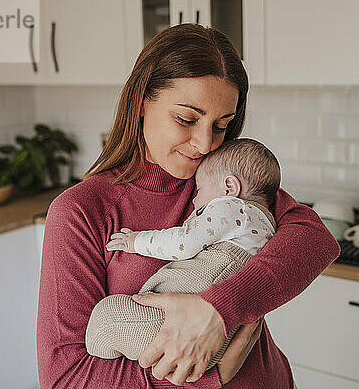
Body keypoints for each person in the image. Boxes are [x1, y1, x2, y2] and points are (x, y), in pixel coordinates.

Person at [37, 23, 340, 388]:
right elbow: (66, 378)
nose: (203, 144)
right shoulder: (81, 211)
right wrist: (211, 375)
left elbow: (317, 241)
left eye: (221, 126)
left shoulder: (224, 183)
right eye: (186, 118)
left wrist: (220, 309)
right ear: (141, 104)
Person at [84, 138, 280, 370]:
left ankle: (110, 359)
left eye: (200, 189)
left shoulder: (232, 208)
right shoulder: (269, 223)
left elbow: (184, 243)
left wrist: (136, 241)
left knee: (108, 317)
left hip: (178, 326)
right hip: (222, 340)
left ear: (230, 187)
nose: (195, 199)